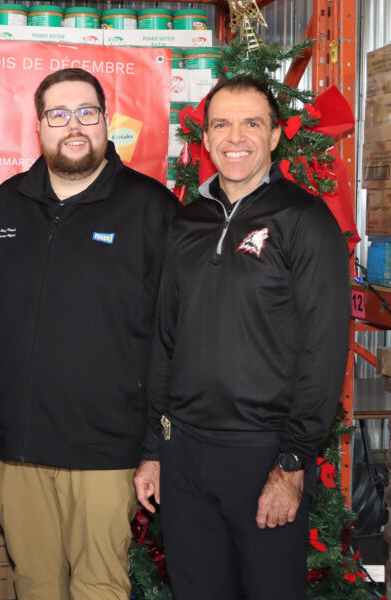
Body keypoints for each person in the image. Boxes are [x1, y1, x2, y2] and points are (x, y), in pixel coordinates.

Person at [133, 74, 350, 599]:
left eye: (252, 123)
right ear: (204, 139)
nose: (236, 137)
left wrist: (293, 463)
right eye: (222, 124)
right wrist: (153, 451)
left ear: (275, 136)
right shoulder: (187, 222)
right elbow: (165, 339)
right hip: (184, 454)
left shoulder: (304, 218)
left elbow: (325, 349)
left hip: (264, 457)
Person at [0, 68, 179, 600]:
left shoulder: (152, 209)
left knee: (99, 586)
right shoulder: (5, 205)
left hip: (107, 447)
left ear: (106, 121)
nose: (74, 125)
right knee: (35, 583)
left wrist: (154, 445)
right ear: (39, 126)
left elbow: (174, 336)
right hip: (18, 445)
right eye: (58, 115)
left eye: (87, 112)